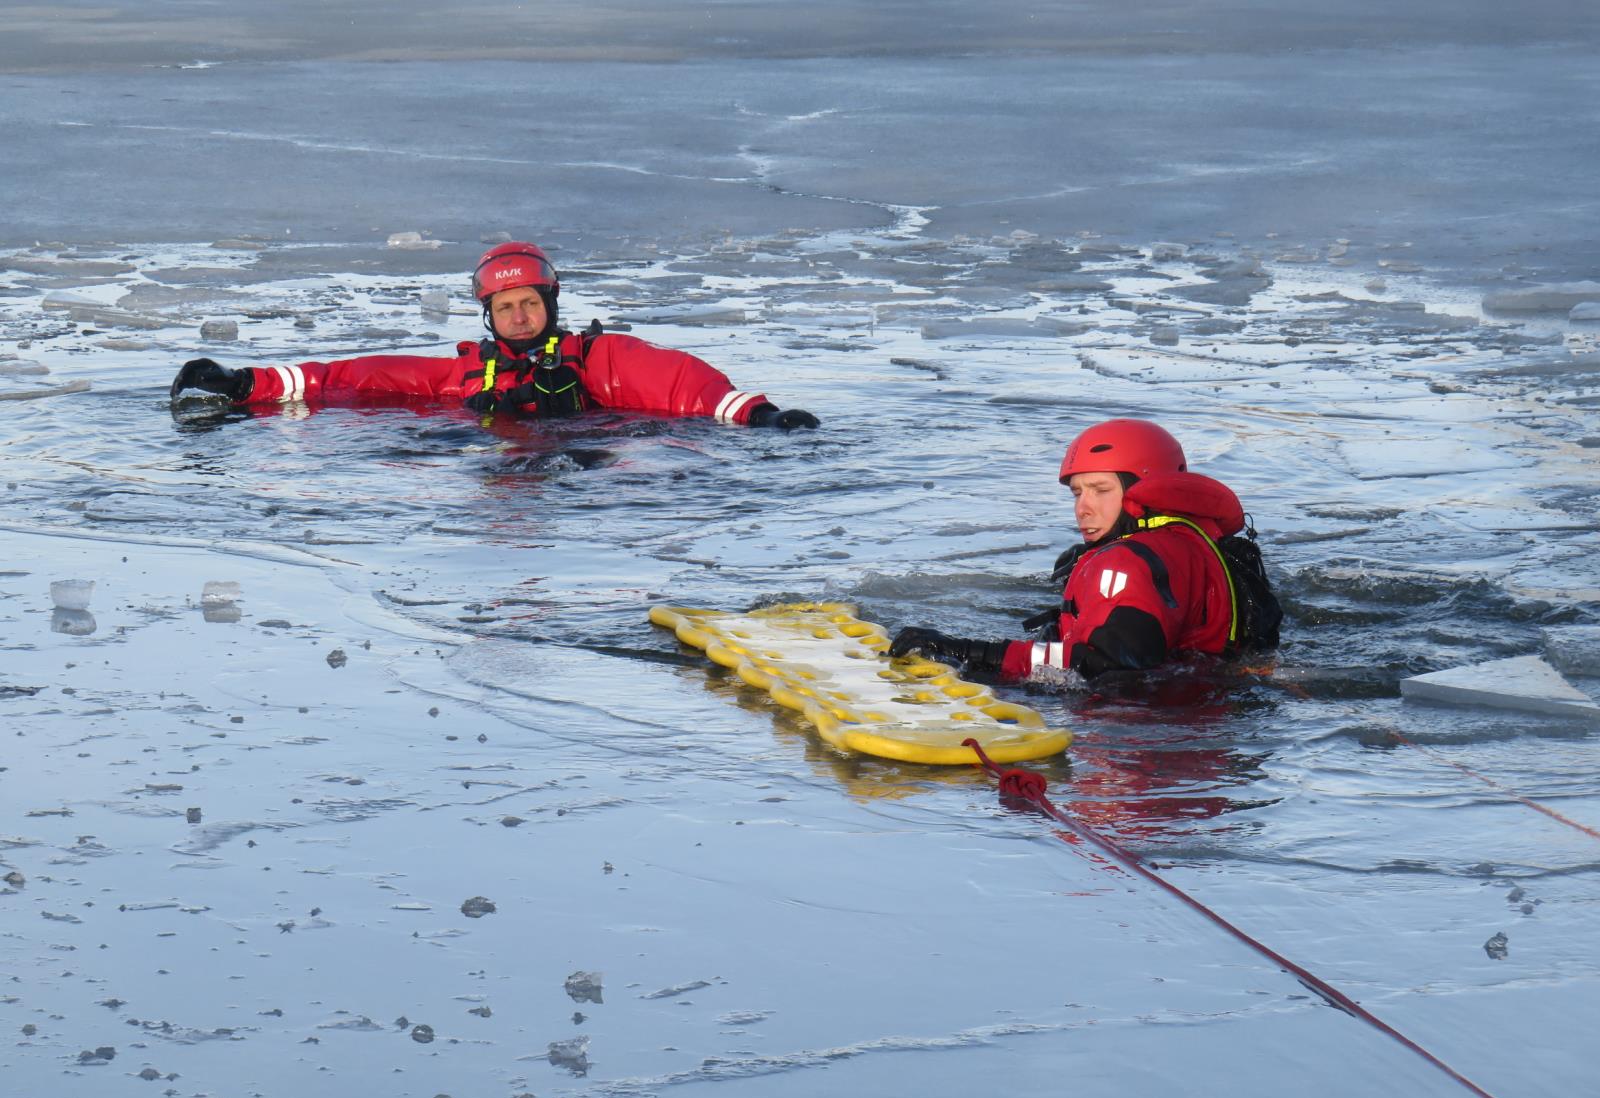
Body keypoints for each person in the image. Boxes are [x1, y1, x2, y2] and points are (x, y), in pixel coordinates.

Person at [169, 241, 819, 430]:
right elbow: (362, 377)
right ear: (488, 314)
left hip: (590, 477)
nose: (518, 317)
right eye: (504, 305)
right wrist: (248, 383)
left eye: (529, 303)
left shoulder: (599, 359)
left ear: (549, 303)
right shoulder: (463, 376)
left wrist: (759, 416)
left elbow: (680, 382)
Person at [888, 418, 1281, 683]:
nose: (1083, 507)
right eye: (1077, 492)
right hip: (1213, 711)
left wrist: (966, 651)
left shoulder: (1126, 561)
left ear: (1143, 488)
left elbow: (1104, 666)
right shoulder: (1195, 541)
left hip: (1145, 729)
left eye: (1101, 490)